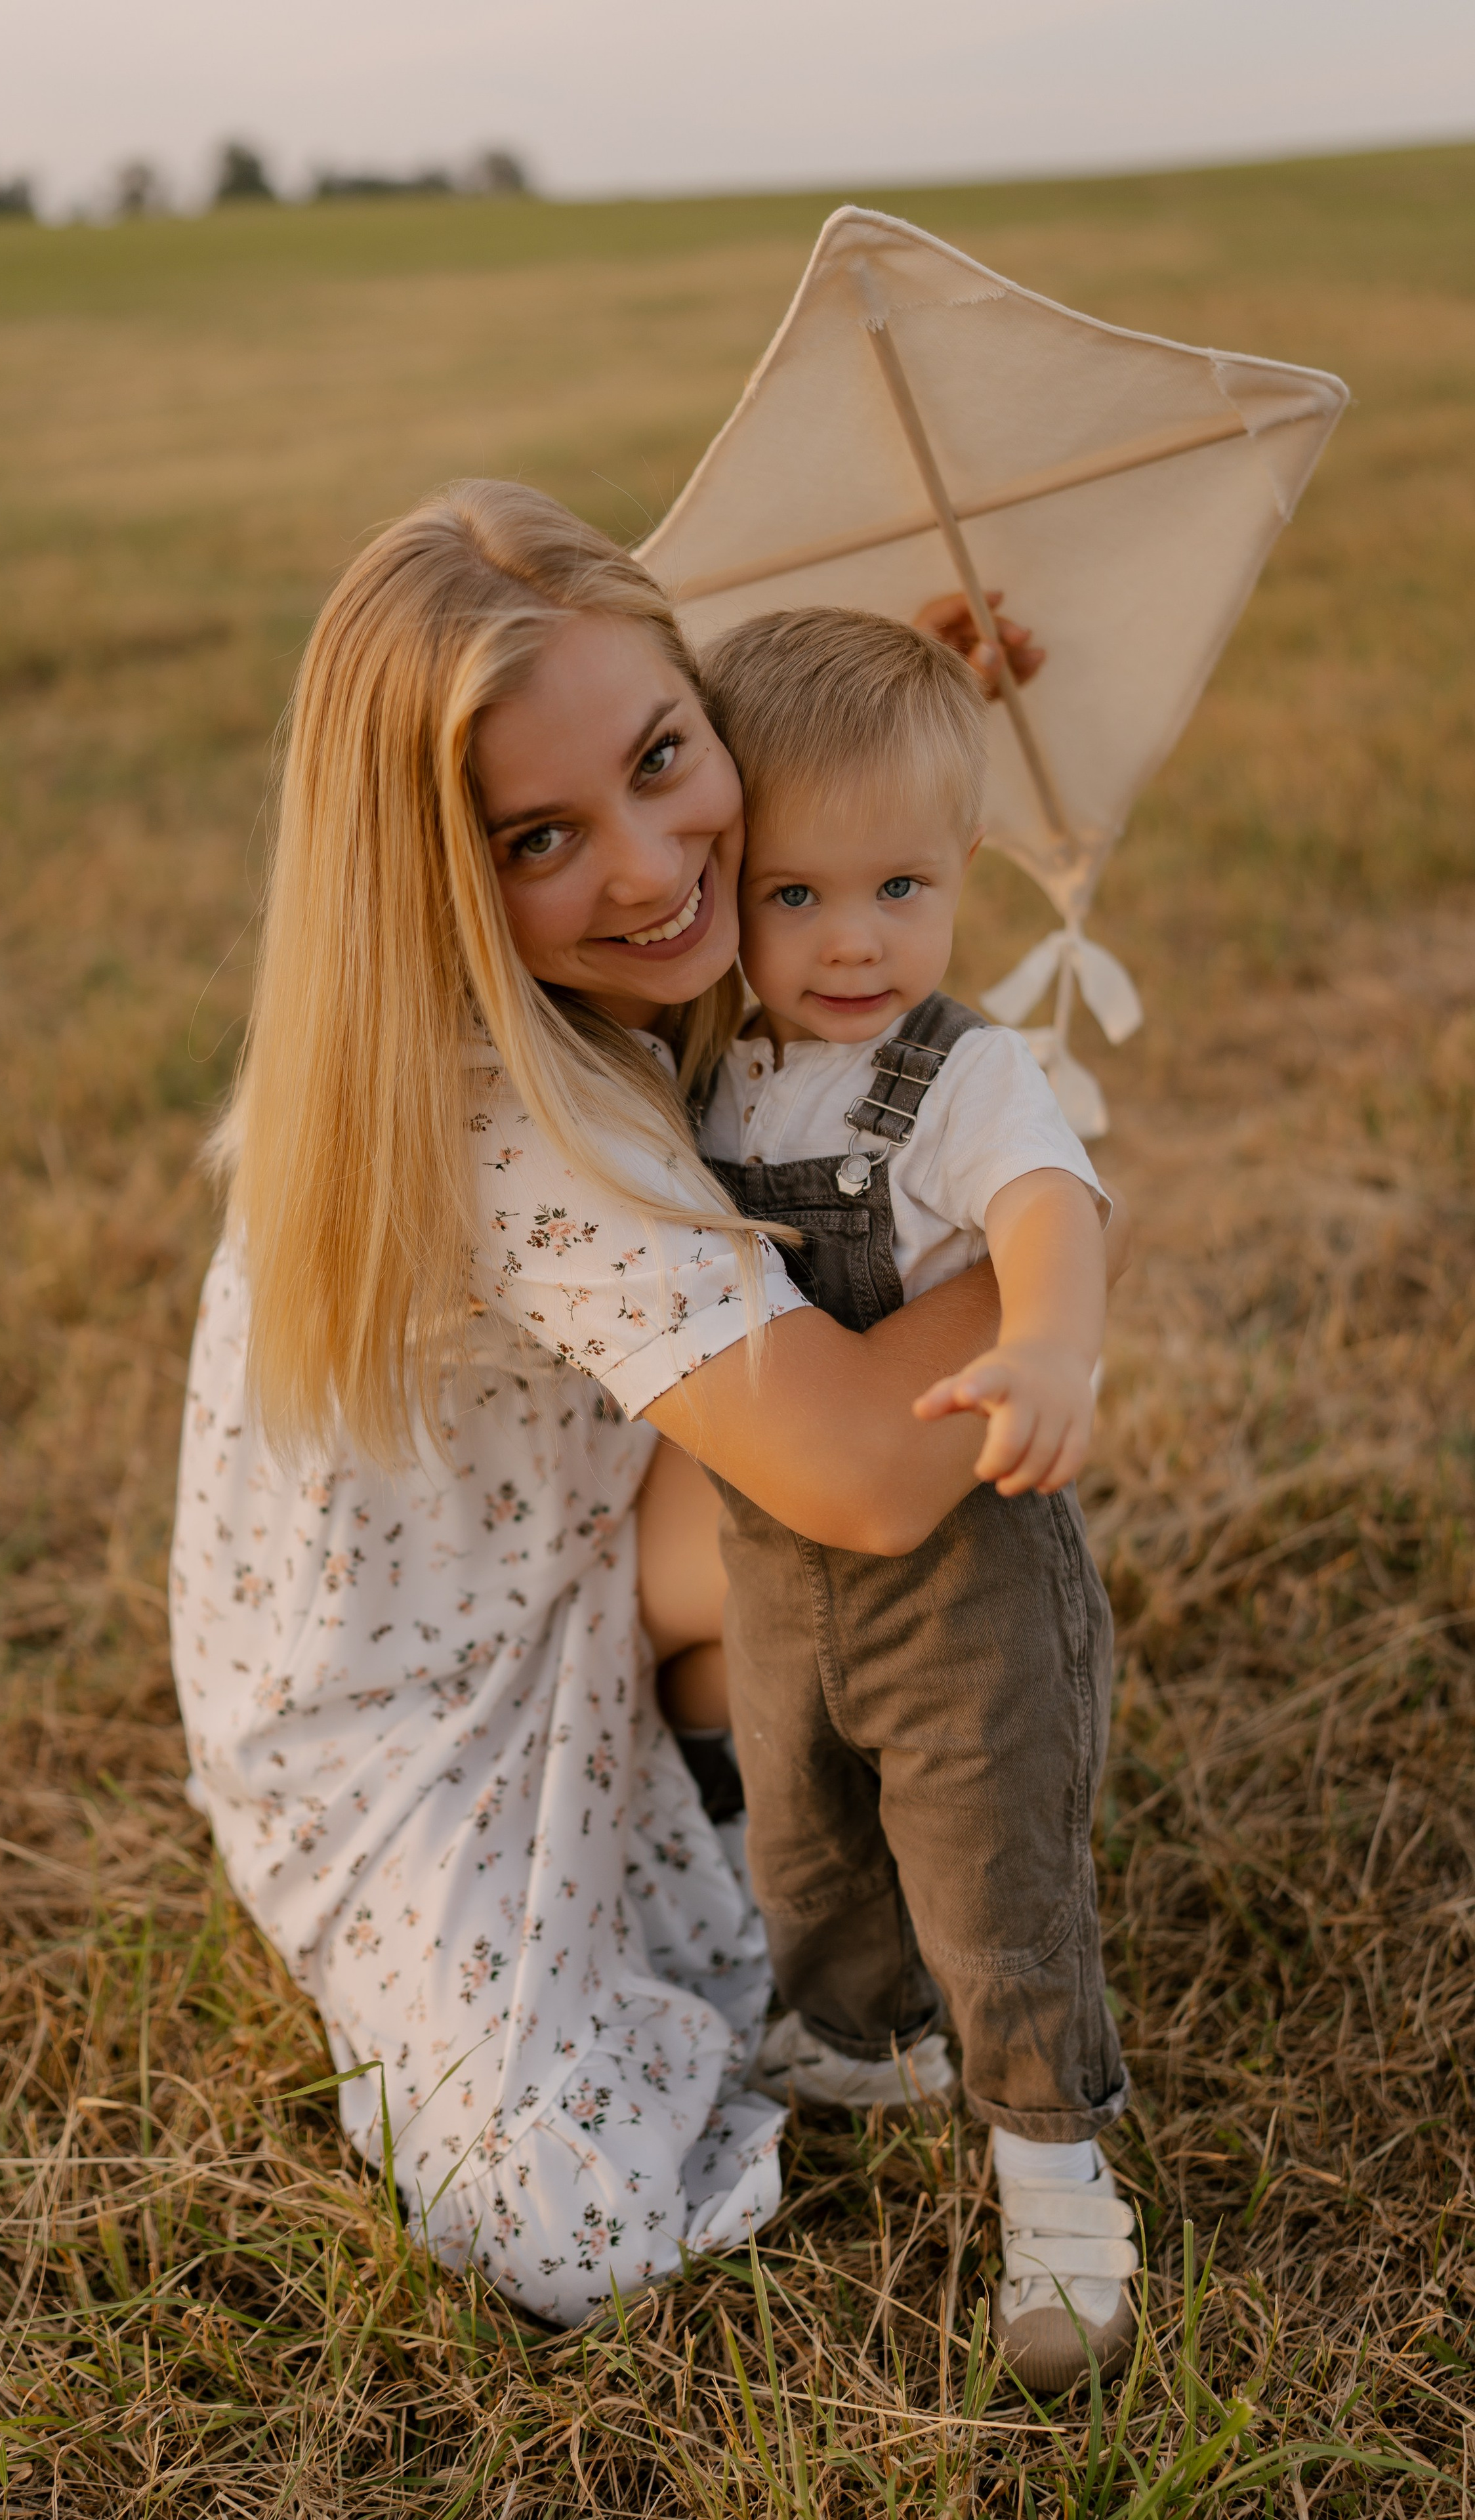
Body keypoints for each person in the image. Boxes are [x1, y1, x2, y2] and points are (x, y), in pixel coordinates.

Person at [168, 476, 1122, 2327]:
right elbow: (851, 1469)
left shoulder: (643, 945)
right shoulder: (498, 1100)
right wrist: (1055, 1230)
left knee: (939, 1459)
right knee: (562, 2205)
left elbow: (827, 963)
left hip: (590, 1519)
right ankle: (735, 1755)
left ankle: (802, 1755)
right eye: (540, 835)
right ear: (439, 877)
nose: (645, 862)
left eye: (671, 755)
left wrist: (891, 760)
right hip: (409, 1683)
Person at [660, 606, 1135, 2389]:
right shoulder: (718, 1062)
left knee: (990, 1874)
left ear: (965, 873)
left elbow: (1044, 1206)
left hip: (966, 1580)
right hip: (779, 1568)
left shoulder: (965, 1070)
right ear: (731, 894)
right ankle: (862, 2042)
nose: (856, 940)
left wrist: (1053, 1349)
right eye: (796, 896)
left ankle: (1058, 2178)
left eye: (905, 888)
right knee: (805, 1831)